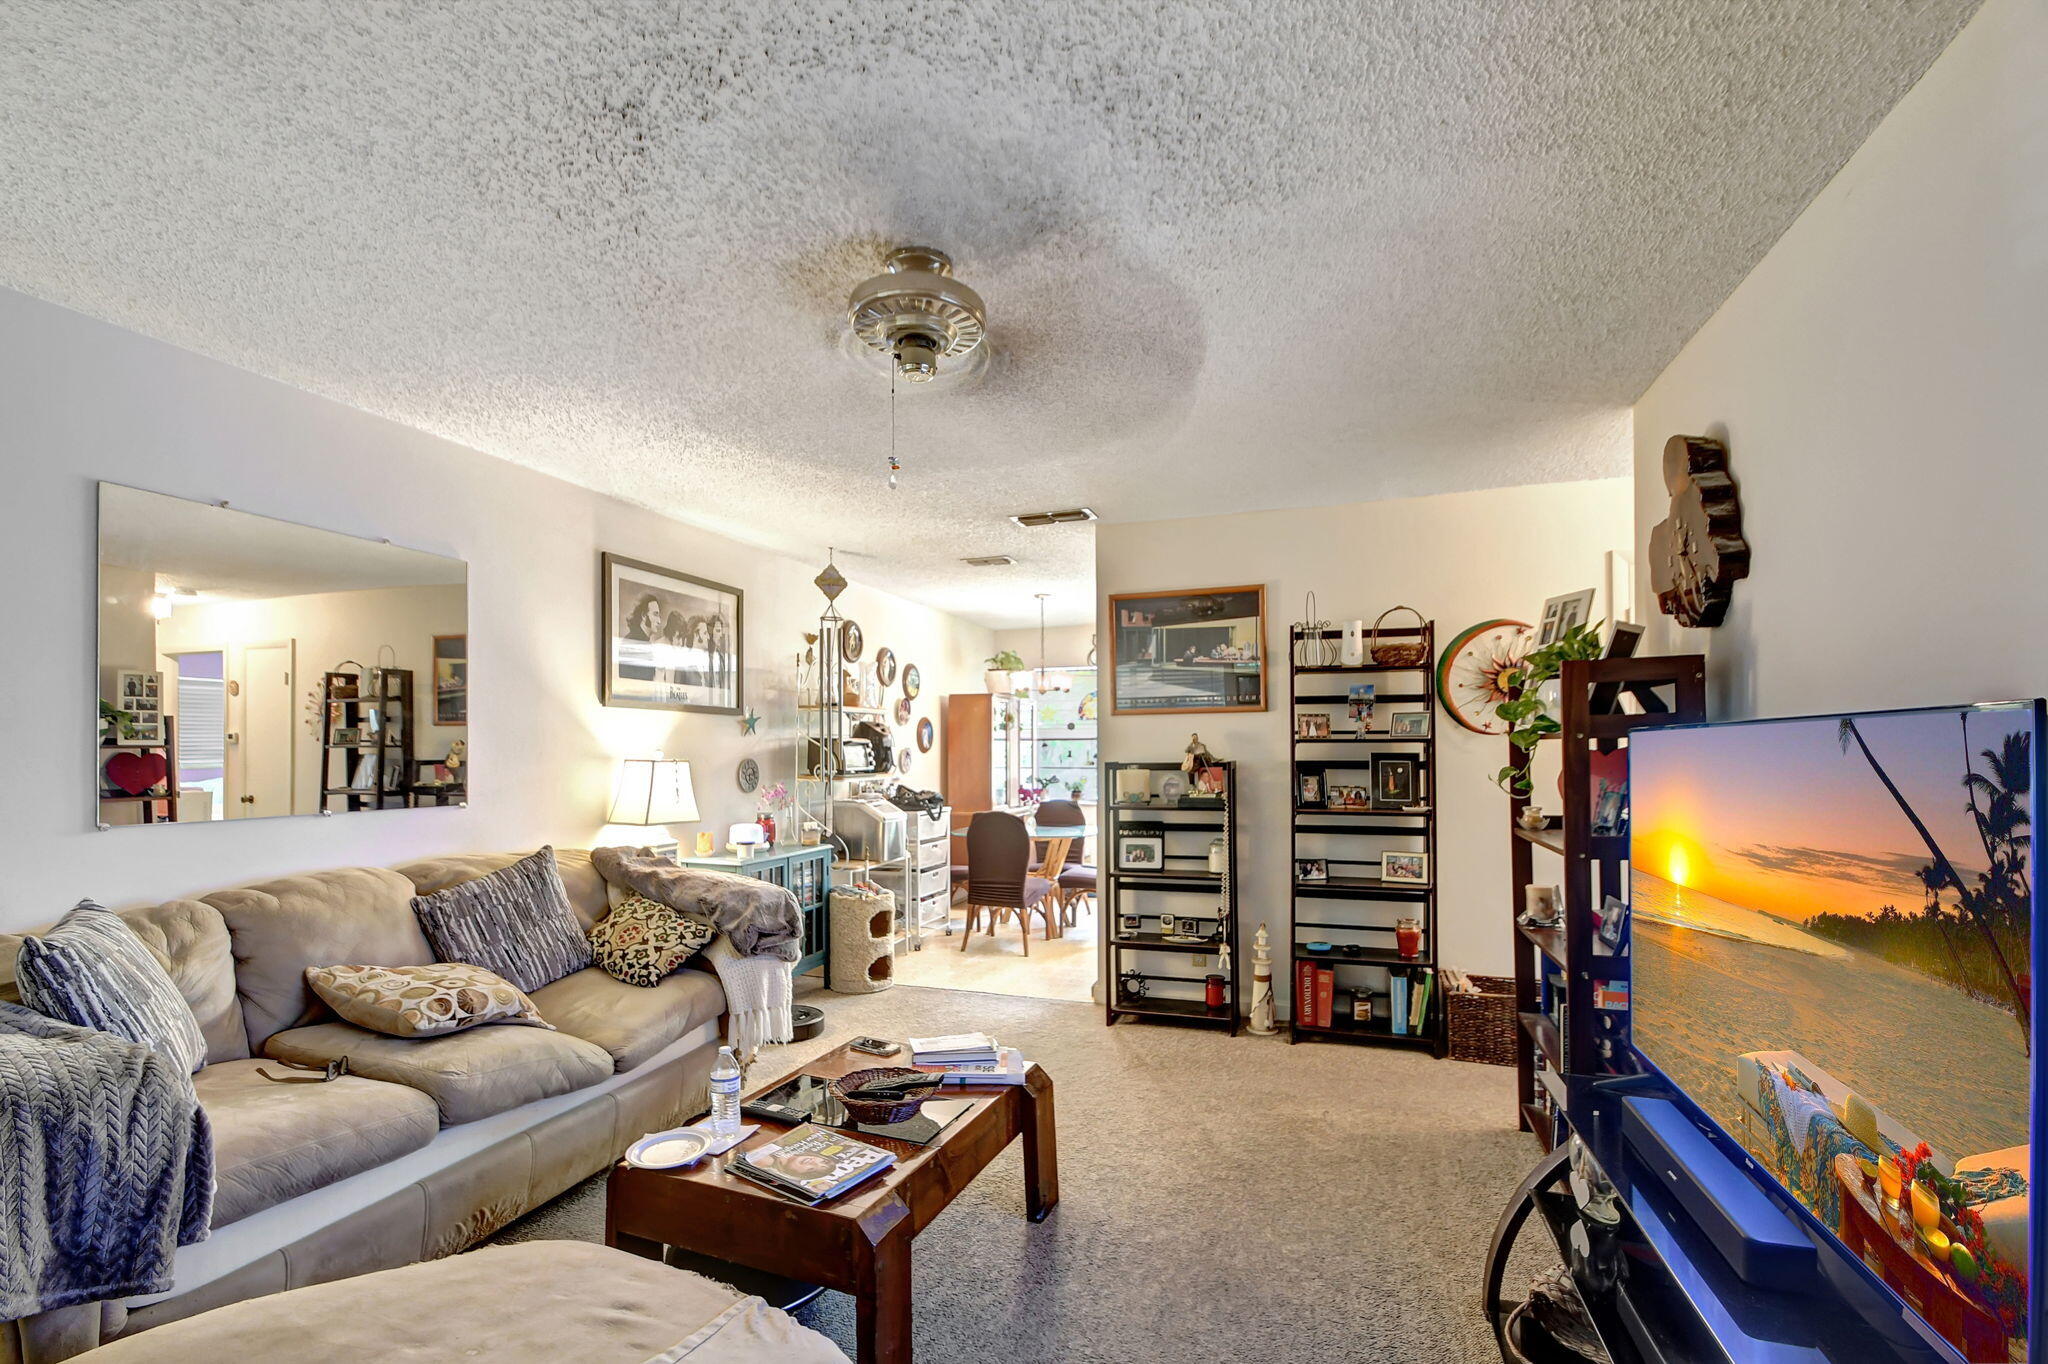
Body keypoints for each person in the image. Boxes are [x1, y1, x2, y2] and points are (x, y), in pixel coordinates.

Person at [617, 593, 664, 683]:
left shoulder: (643, 642)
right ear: (643, 615)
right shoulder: (632, 643)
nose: (659, 621)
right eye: (655, 614)